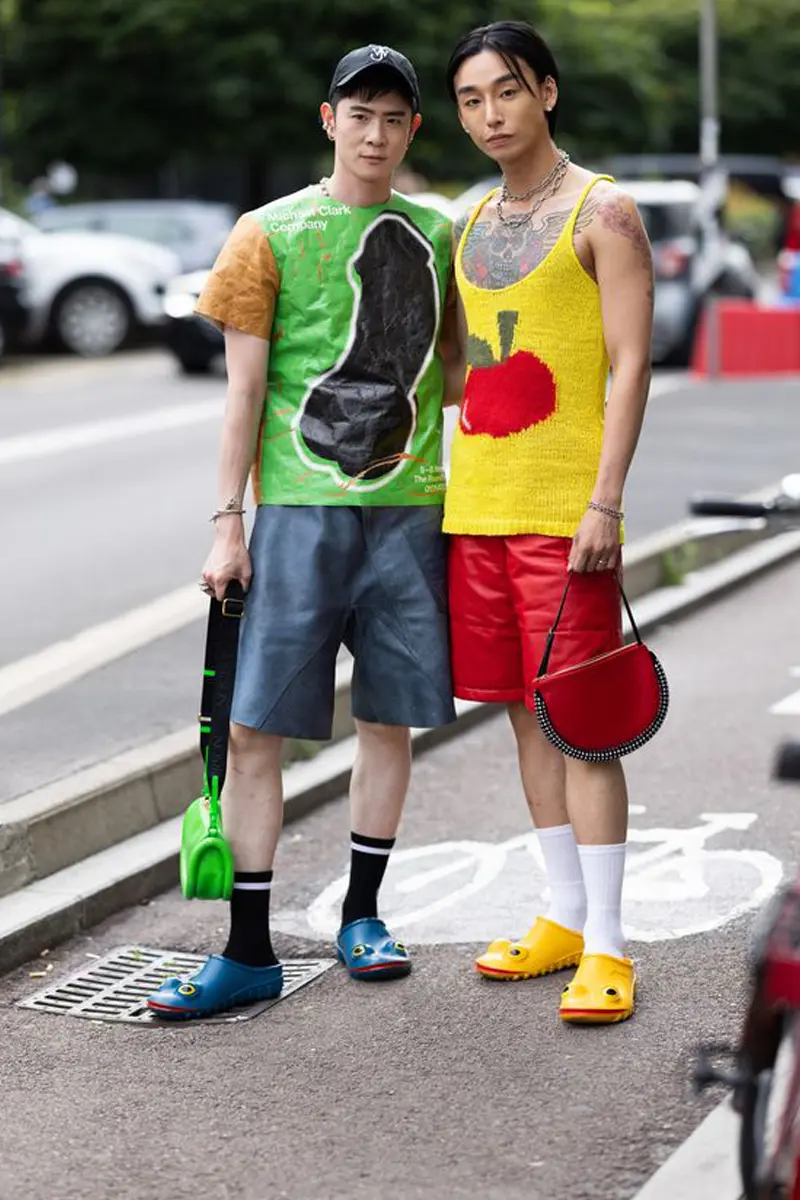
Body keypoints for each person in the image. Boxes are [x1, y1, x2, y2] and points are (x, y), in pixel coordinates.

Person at [147, 44, 461, 1020]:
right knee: (251, 734)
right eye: (357, 114)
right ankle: (247, 950)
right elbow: (241, 394)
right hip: (294, 516)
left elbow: (453, 374)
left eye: (393, 119)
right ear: (327, 120)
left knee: (387, 720)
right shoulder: (266, 234)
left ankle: (361, 916)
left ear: (412, 130)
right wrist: (226, 526)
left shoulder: (438, 234)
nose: (374, 133)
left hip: (410, 512)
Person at [444, 21, 654, 1024]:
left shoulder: (600, 211)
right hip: (476, 508)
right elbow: (461, 369)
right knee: (522, 719)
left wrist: (604, 500)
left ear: (547, 93)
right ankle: (561, 917)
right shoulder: (469, 222)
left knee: (582, 727)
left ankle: (609, 947)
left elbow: (627, 364)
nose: (489, 115)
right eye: (470, 99)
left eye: (506, 92)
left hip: (567, 515)